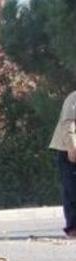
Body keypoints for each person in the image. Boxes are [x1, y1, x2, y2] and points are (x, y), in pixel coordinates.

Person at [49, 90, 76, 238]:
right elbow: (68, 123)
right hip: (68, 149)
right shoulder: (74, 98)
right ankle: (73, 227)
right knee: (72, 190)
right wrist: (72, 148)